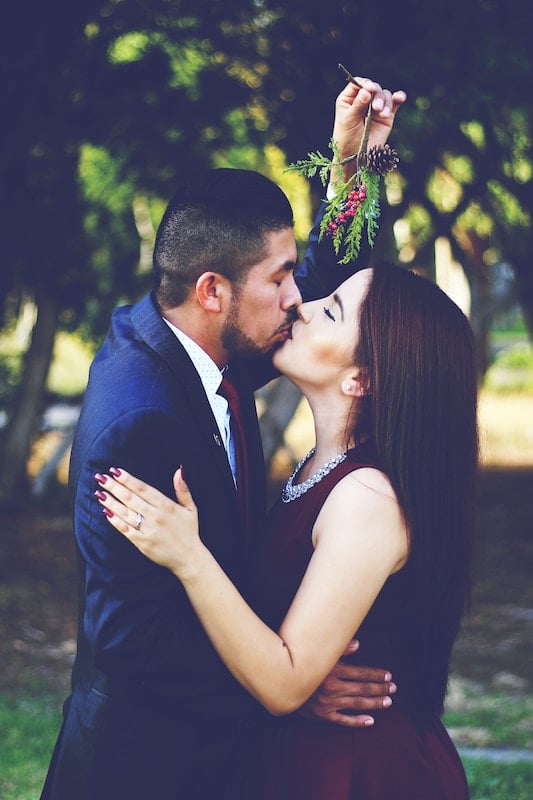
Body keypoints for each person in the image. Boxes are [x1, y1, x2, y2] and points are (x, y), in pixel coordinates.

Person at [40, 77, 407, 800]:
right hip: (147, 766)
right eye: (279, 279)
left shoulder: (201, 335)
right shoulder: (142, 419)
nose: (298, 298)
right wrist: (287, 683)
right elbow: (132, 637)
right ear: (214, 290)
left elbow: (337, 300)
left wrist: (352, 170)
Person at [97, 263, 478, 799]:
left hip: (360, 772)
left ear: (361, 377)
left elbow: (283, 682)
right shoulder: (318, 468)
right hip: (297, 756)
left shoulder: (368, 500)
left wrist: (188, 555)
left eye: (332, 310)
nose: (303, 306)